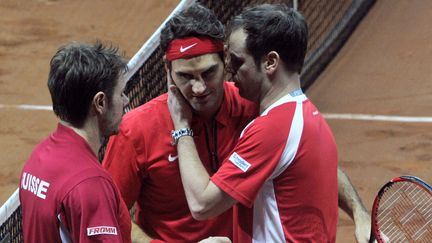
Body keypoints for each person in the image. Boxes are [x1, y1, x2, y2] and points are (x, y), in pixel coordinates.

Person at [103, 3, 370, 243]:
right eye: (185, 76)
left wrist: (358, 211)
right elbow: (108, 215)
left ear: (225, 61)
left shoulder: (253, 108)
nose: (198, 88)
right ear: (167, 70)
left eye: (209, 73)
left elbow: (304, 158)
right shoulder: (134, 130)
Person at [167, 4, 337, 242]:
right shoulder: (310, 116)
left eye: (237, 61)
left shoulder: (273, 128)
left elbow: (201, 204)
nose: (229, 71)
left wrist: (181, 127)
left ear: (270, 62)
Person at [19, 41, 131, 242]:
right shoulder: (90, 183)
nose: (126, 100)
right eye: (121, 93)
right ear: (100, 103)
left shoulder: (38, 158)